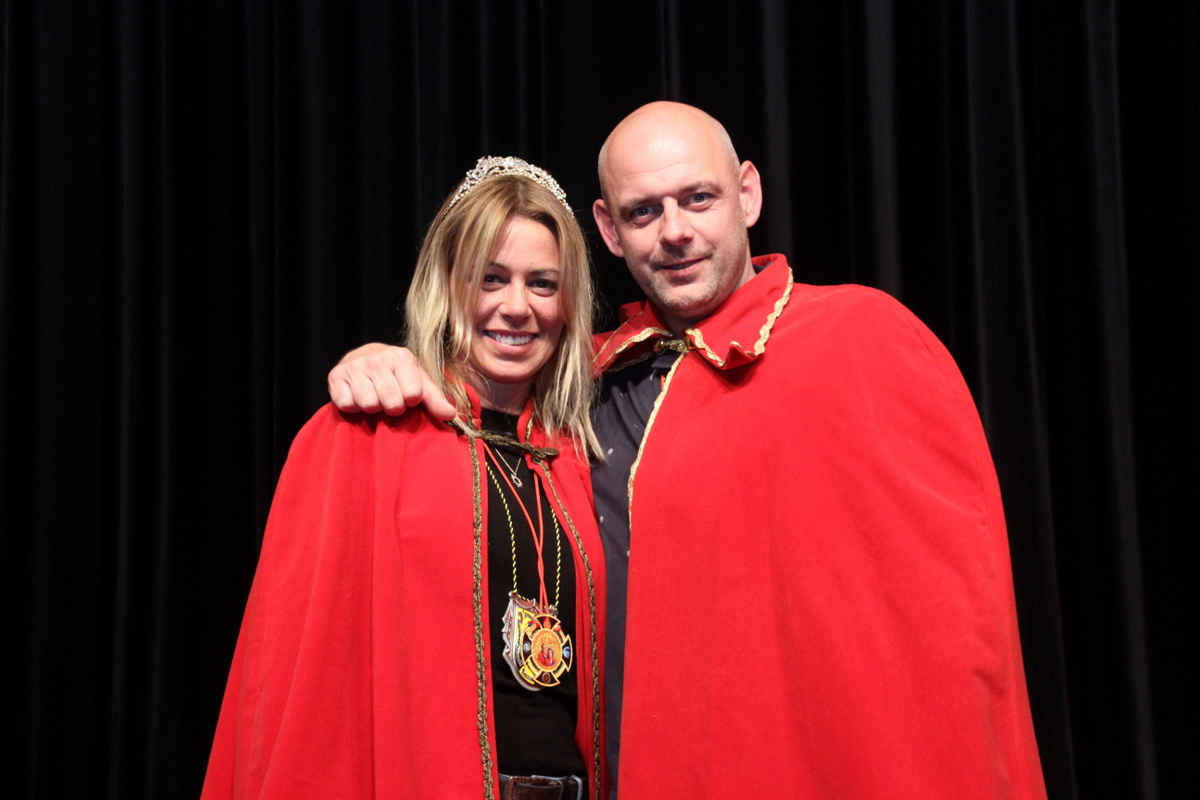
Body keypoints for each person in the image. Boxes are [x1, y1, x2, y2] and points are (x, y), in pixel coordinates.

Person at [329, 102, 1048, 799]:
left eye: (698, 198)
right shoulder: (585, 379)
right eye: (644, 211)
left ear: (747, 194)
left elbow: (955, 645)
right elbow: (483, 397)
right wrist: (387, 361)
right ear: (609, 230)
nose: (675, 231)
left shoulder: (862, 343)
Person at [203, 157, 607, 800]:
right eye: (490, 278)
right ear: (446, 285)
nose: (516, 307)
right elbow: (295, 679)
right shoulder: (364, 432)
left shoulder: (582, 458)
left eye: (542, 283)